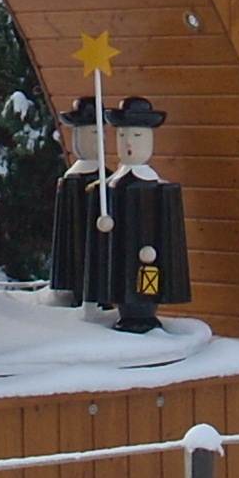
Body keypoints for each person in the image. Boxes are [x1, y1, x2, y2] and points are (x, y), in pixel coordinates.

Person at [97, 96, 188, 333]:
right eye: (122, 135)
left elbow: (168, 228)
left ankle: (145, 314)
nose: (128, 142)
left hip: (148, 256)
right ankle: (125, 311)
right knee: (122, 281)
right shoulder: (109, 187)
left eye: (137, 136)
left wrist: (156, 246)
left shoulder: (158, 187)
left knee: (146, 284)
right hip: (120, 260)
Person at [48, 97, 105, 307]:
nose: (98, 140)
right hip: (76, 262)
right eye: (91, 133)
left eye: (100, 133)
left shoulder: (109, 179)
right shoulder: (71, 180)